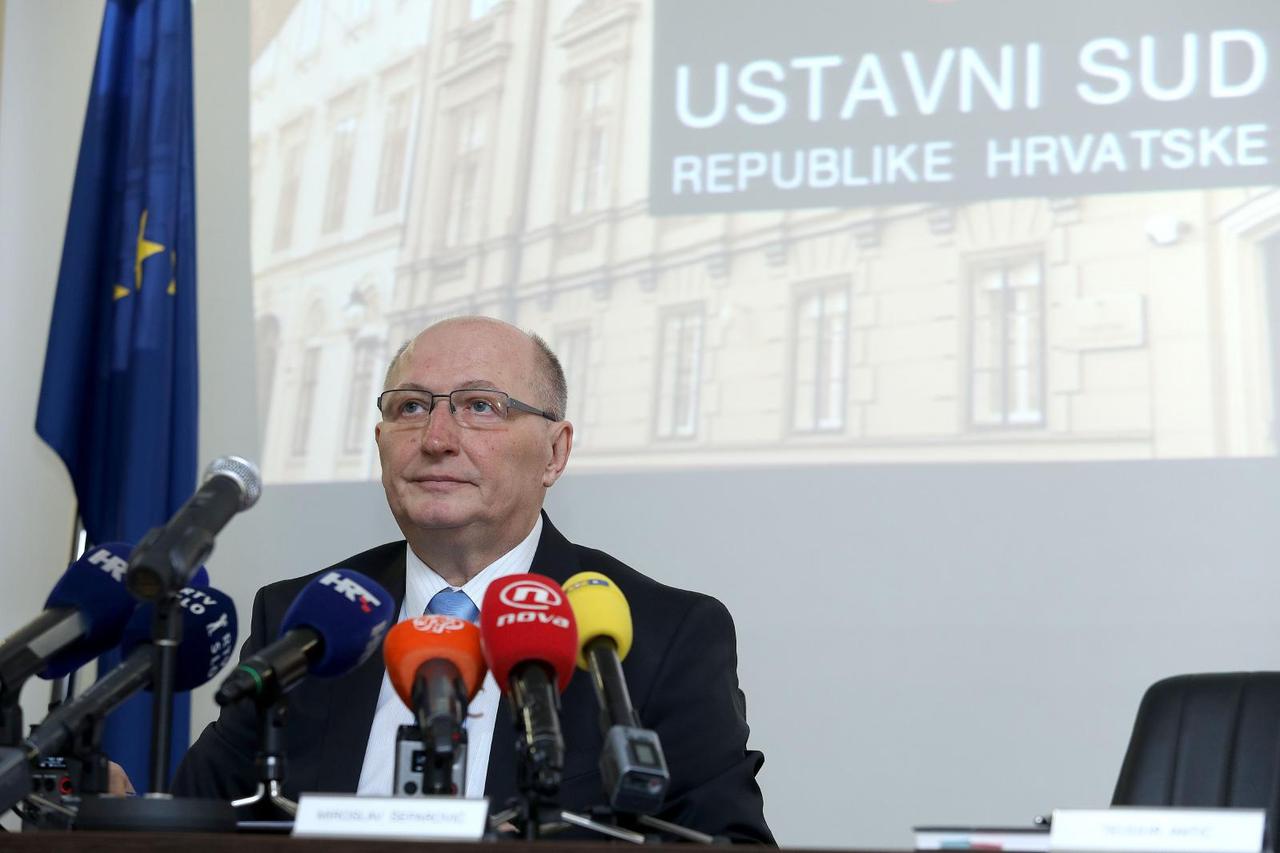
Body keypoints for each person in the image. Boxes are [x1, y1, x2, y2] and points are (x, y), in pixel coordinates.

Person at [173, 316, 772, 842]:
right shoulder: (306, 620)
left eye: (480, 406)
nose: (436, 440)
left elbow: (729, 842)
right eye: (411, 407)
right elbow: (194, 820)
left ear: (555, 453)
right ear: (380, 442)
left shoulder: (663, 634)